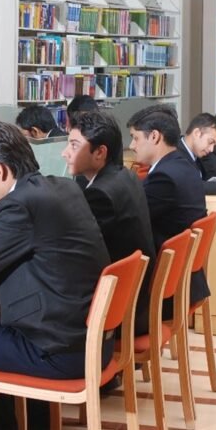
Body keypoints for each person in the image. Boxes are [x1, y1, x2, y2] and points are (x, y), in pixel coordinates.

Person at [0, 122, 110, 430]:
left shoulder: (17, 205)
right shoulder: (62, 187)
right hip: (90, 342)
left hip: (57, 351)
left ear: (0, 169)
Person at [62, 110, 156, 335]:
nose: (64, 153)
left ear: (100, 153)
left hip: (120, 311)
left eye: (74, 145)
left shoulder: (101, 194)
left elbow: (77, 250)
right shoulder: (126, 176)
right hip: (137, 298)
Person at [127, 104, 208, 319]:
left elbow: (133, 219)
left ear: (154, 136)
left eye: (135, 138)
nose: (131, 145)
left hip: (165, 290)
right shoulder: (183, 166)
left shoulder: (164, 177)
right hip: (186, 279)